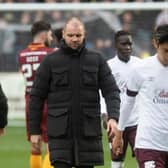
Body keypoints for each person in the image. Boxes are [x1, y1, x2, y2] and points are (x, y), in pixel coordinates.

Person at [28, 17, 120, 168]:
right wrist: (34, 131)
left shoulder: (97, 60)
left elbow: (111, 91)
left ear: (84, 35)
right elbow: (36, 98)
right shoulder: (50, 61)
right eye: (71, 35)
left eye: (78, 35)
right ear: (63, 34)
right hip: (59, 134)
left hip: (88, 134)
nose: (75, 39)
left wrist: (113, 118)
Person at [113, 24, 168, 168]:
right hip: (149, 144)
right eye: (166, 51)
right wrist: (119, 132)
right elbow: (128, 103)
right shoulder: (141, 70)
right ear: (155, 44)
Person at [101, 30, 141, 168]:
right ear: (116, 45)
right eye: (124, 44)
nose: (128, 47)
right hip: (116, 122)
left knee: (143, 159)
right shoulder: (108, 66)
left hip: (137, 121)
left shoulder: (140, 65)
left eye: (130, 44)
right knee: (117, 160)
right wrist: (104, 113)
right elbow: (102, 92)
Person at [18, 20, 54, 168]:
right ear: (44, 35)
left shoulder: (21, 55)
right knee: (53, 145)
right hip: (47, 101)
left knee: (35, 144)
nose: (52, 38)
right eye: (51, 35)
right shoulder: (51, 54)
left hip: (30, 102)